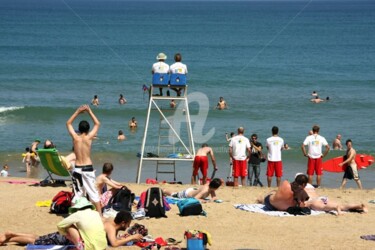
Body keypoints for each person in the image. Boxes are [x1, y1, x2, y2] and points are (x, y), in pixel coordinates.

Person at [0, 197, 107, 249]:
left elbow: (61, 225)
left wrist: (67, 235)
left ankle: (11, 236)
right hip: (69, 238)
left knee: (38, 239)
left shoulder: (78, 214)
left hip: (68, 237)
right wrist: (69, 236)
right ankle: (12, 236)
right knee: (36, 241)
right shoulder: (96, 214)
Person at [66, 105, 102, 215]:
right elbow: (97, 123)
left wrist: (78, 111)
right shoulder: (89, 137)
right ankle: (100, 215)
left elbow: (68, 123)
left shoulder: (75, 138)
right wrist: (89, 111)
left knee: (78, 193)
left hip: (77, 168)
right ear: (87, 129)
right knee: (93, 193)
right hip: (87, 168)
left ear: (79, 129)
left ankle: (72, 214)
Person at [302, 176, 367, 215]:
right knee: (341, 205)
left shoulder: (300, 189)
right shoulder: (310, 186)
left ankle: (336, 208)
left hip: (313, 201)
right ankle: (359, 205)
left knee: (326, 206)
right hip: (322, 198)